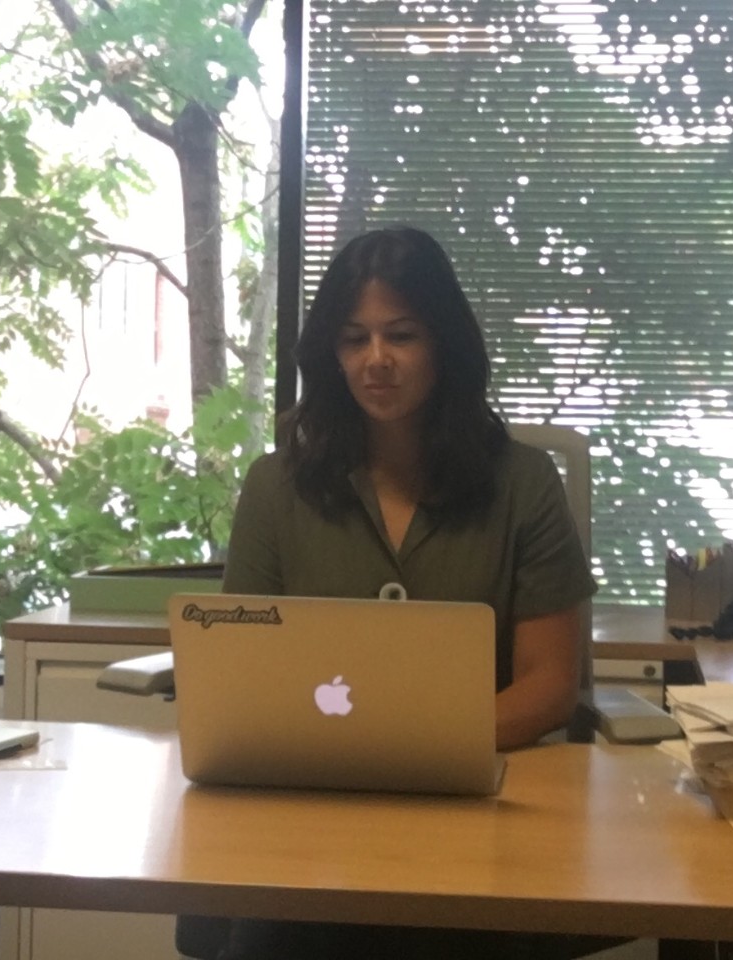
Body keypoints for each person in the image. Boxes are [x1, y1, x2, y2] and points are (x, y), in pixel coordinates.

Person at [210, 226, 602, 960]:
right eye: (354, 339)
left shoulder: (521, 483)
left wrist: (416, 753)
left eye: (402, 335)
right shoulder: (276, 486)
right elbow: (241, 670)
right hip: (313, 824)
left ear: (443, 344)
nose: (376, 361)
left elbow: (552, 684)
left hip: (484, 817)